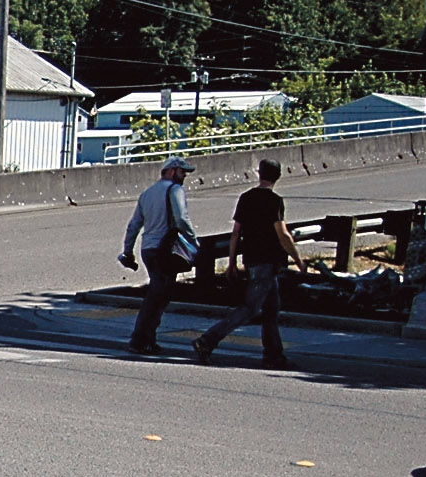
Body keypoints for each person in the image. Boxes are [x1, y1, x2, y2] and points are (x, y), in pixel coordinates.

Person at [192, 159, 306, 370]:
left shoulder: (246, 198)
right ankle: (207, 340)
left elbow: (236, 232)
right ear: (278, 176)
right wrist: (298, 259)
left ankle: (274, 354)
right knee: (250, 308)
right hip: (268, 261)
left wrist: (232, 262)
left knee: (272, 309)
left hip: (252, 259)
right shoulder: (275, 201)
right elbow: (282, 234)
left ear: (259, 174)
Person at [119, 155, 200, 356]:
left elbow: (133, 226)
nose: (184, 177)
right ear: (172, 171)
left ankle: (148, 339)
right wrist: (194, 241)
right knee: (157, 297)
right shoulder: (175, 190)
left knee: (158, 294)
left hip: (148, 249)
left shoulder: (147, 194)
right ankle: (139, 339)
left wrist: (128, 251)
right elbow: (181, 219)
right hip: (166, 250)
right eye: (182, 172)